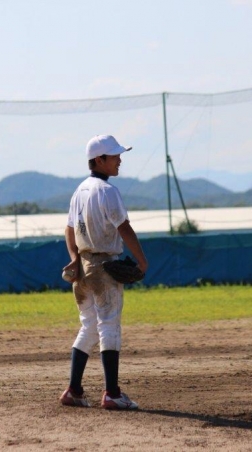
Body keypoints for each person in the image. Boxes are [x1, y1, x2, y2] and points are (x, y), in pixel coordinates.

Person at [59, 135, 149, 410]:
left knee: (89, 326)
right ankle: (112, 393)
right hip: (104, 266)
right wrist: (141, 260)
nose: (119, 160)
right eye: (115, 156)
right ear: (99, 160)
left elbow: (69, 230)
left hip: (82, 269)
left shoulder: (79, 191)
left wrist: (74, 259)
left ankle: (74, 390)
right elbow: (124, 227)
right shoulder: (107, 191)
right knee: (108, 325)